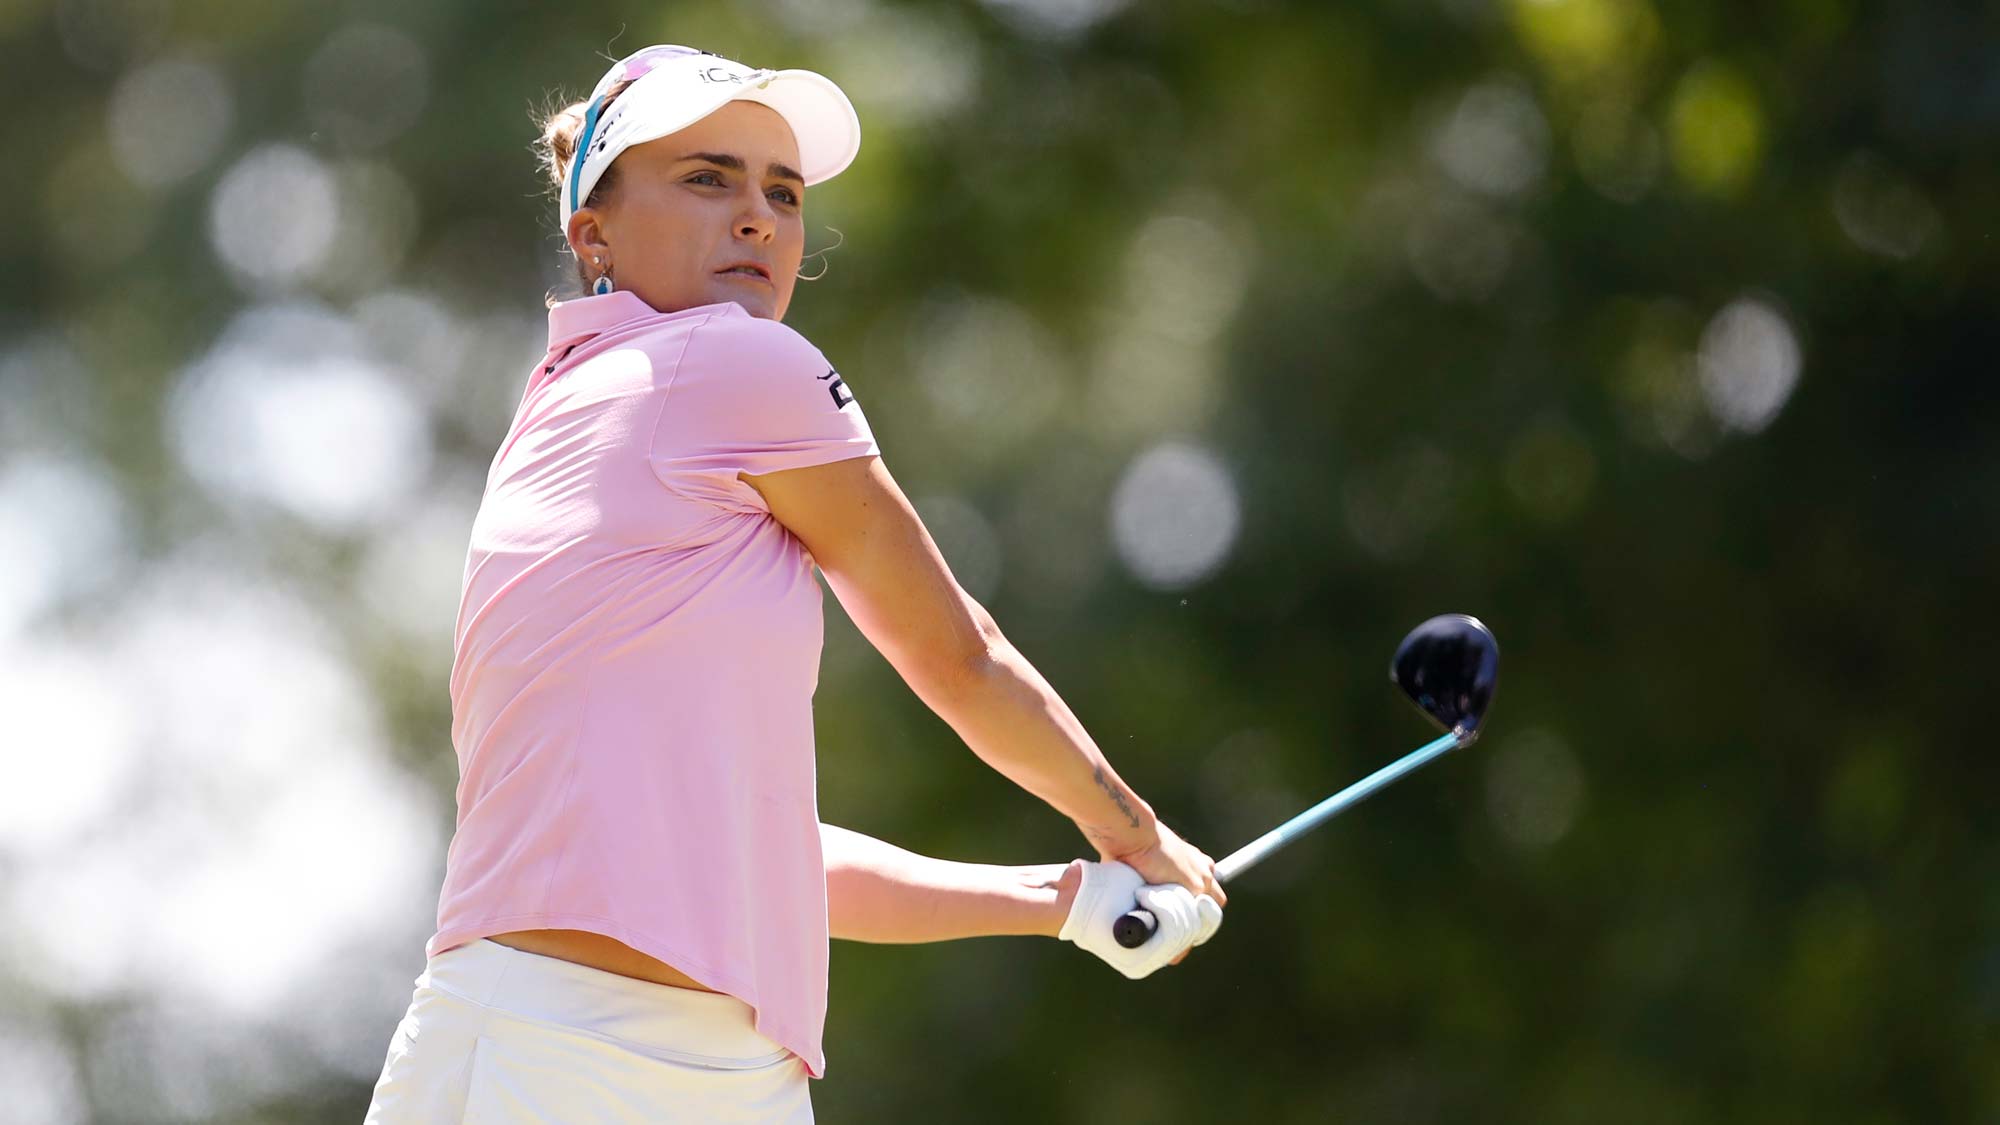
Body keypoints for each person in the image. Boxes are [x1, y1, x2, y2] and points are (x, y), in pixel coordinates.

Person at [363, 43, 1224, 1124]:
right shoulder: (729, 363)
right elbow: (959, 656)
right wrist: (1136, 838)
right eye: (707, 178)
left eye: (782, 191)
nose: (759, 217)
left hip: (725, 1076)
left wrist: (1063, 902)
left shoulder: (572, 408)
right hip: (547, 1058)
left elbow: (753, 851)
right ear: (594, 236)